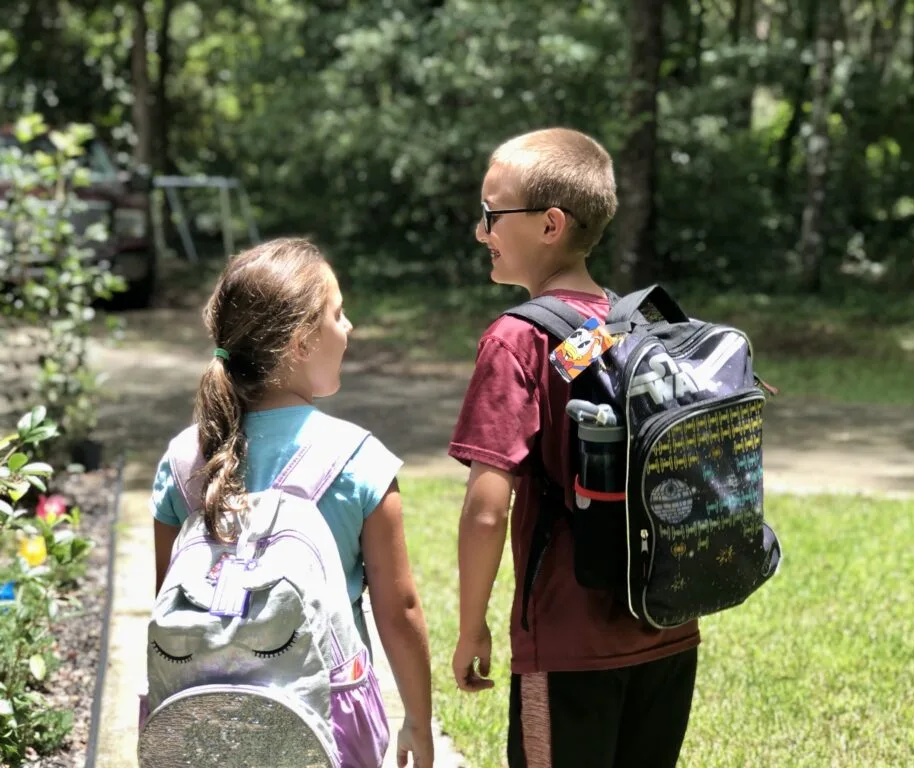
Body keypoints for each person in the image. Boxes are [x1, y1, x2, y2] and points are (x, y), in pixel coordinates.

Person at [449, 128, 701, 768]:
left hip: (566, 642)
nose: (482, 232)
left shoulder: (515, 341)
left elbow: (486, 509)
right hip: (667, 625)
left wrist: (472, 624)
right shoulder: (638, 324)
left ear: (549, 224)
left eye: (491, 215)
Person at [149, 238, 434, 767]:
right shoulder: (358, 461)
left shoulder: (184, 459)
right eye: (338, 314)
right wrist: (417, 719)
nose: (348, 329)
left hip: (202, 730)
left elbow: (172, 603)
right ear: (301, 342)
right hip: (322, 728)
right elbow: (401, 613)